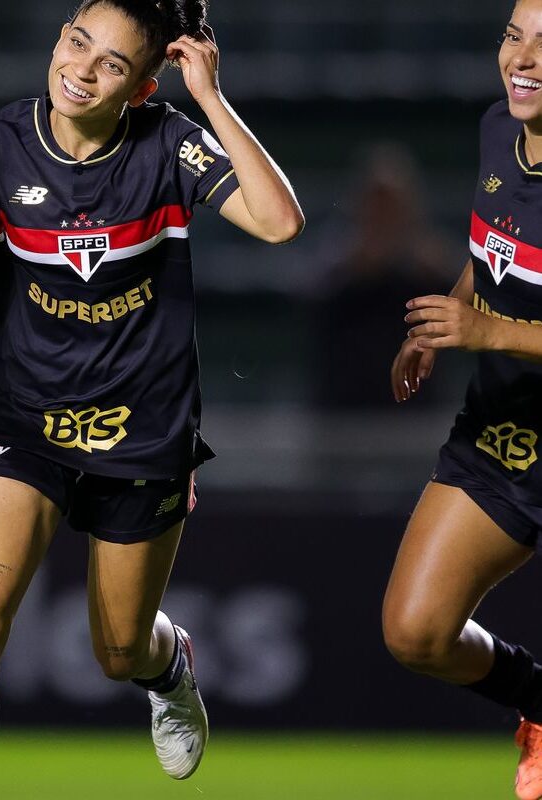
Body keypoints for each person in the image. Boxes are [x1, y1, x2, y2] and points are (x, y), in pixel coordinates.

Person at [0, 1, 303, 795]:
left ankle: (171, 672)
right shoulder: (4, 143)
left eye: (111, 64)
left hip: (144, 430)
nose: (79, 69)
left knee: (120, 650)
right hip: (22, 420)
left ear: (141, 86)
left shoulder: (170, 144)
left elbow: (279, 224)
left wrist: (209, 98)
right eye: (76, 42)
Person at [382, 2, 542, 799]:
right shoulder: (495, 132)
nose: (527, 56)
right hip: (506, 432)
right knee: (416, 630)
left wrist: (491, 333)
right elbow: (493, 257)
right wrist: (443, 324)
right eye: (515, 34)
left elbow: (498, 318)